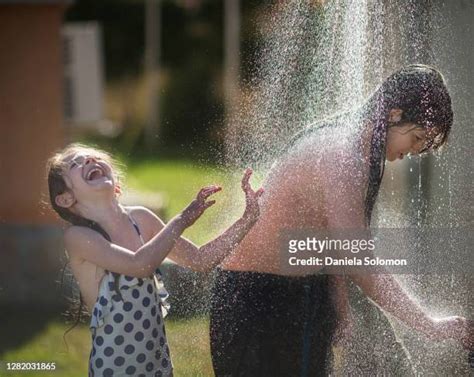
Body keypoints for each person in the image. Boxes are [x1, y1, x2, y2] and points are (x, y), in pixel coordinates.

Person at [210, 64, 473, 376]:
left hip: (297, 292)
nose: (416, 151)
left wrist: (340, 299)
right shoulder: (343, 154)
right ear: (394, 114)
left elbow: (329, 240)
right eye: (417, 138)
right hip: (257, 301)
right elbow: (359, 262)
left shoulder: (359, 150)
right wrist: (429, 325)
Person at [46, 143, 263, 377]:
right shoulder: (79, 236)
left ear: (116, 181)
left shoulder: (141, 219)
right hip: (115, 369)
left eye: (93, 157)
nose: (89, 161)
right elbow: (139, 265)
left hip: (158, 366)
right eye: (76, 163)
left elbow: (200, 259)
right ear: (66, 199)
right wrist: (180, 220)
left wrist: (247, 219)